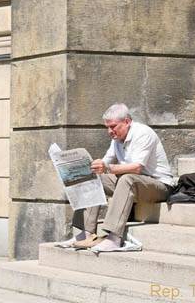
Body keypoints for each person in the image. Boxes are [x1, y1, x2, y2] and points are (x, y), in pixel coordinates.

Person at [56, 103, 174, 252]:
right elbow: (107, 161)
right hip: (131, 183)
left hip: (159, 186)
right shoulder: (117, 138)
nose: (110, 131)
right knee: (91, 178)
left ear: (127, 121)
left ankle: (113, 238)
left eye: (113, 126)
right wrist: (88, 168)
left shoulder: (143, 133)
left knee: (127, 179)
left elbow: (137, 167)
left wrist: (107, 168)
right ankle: (84, 234)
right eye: (107, 127)